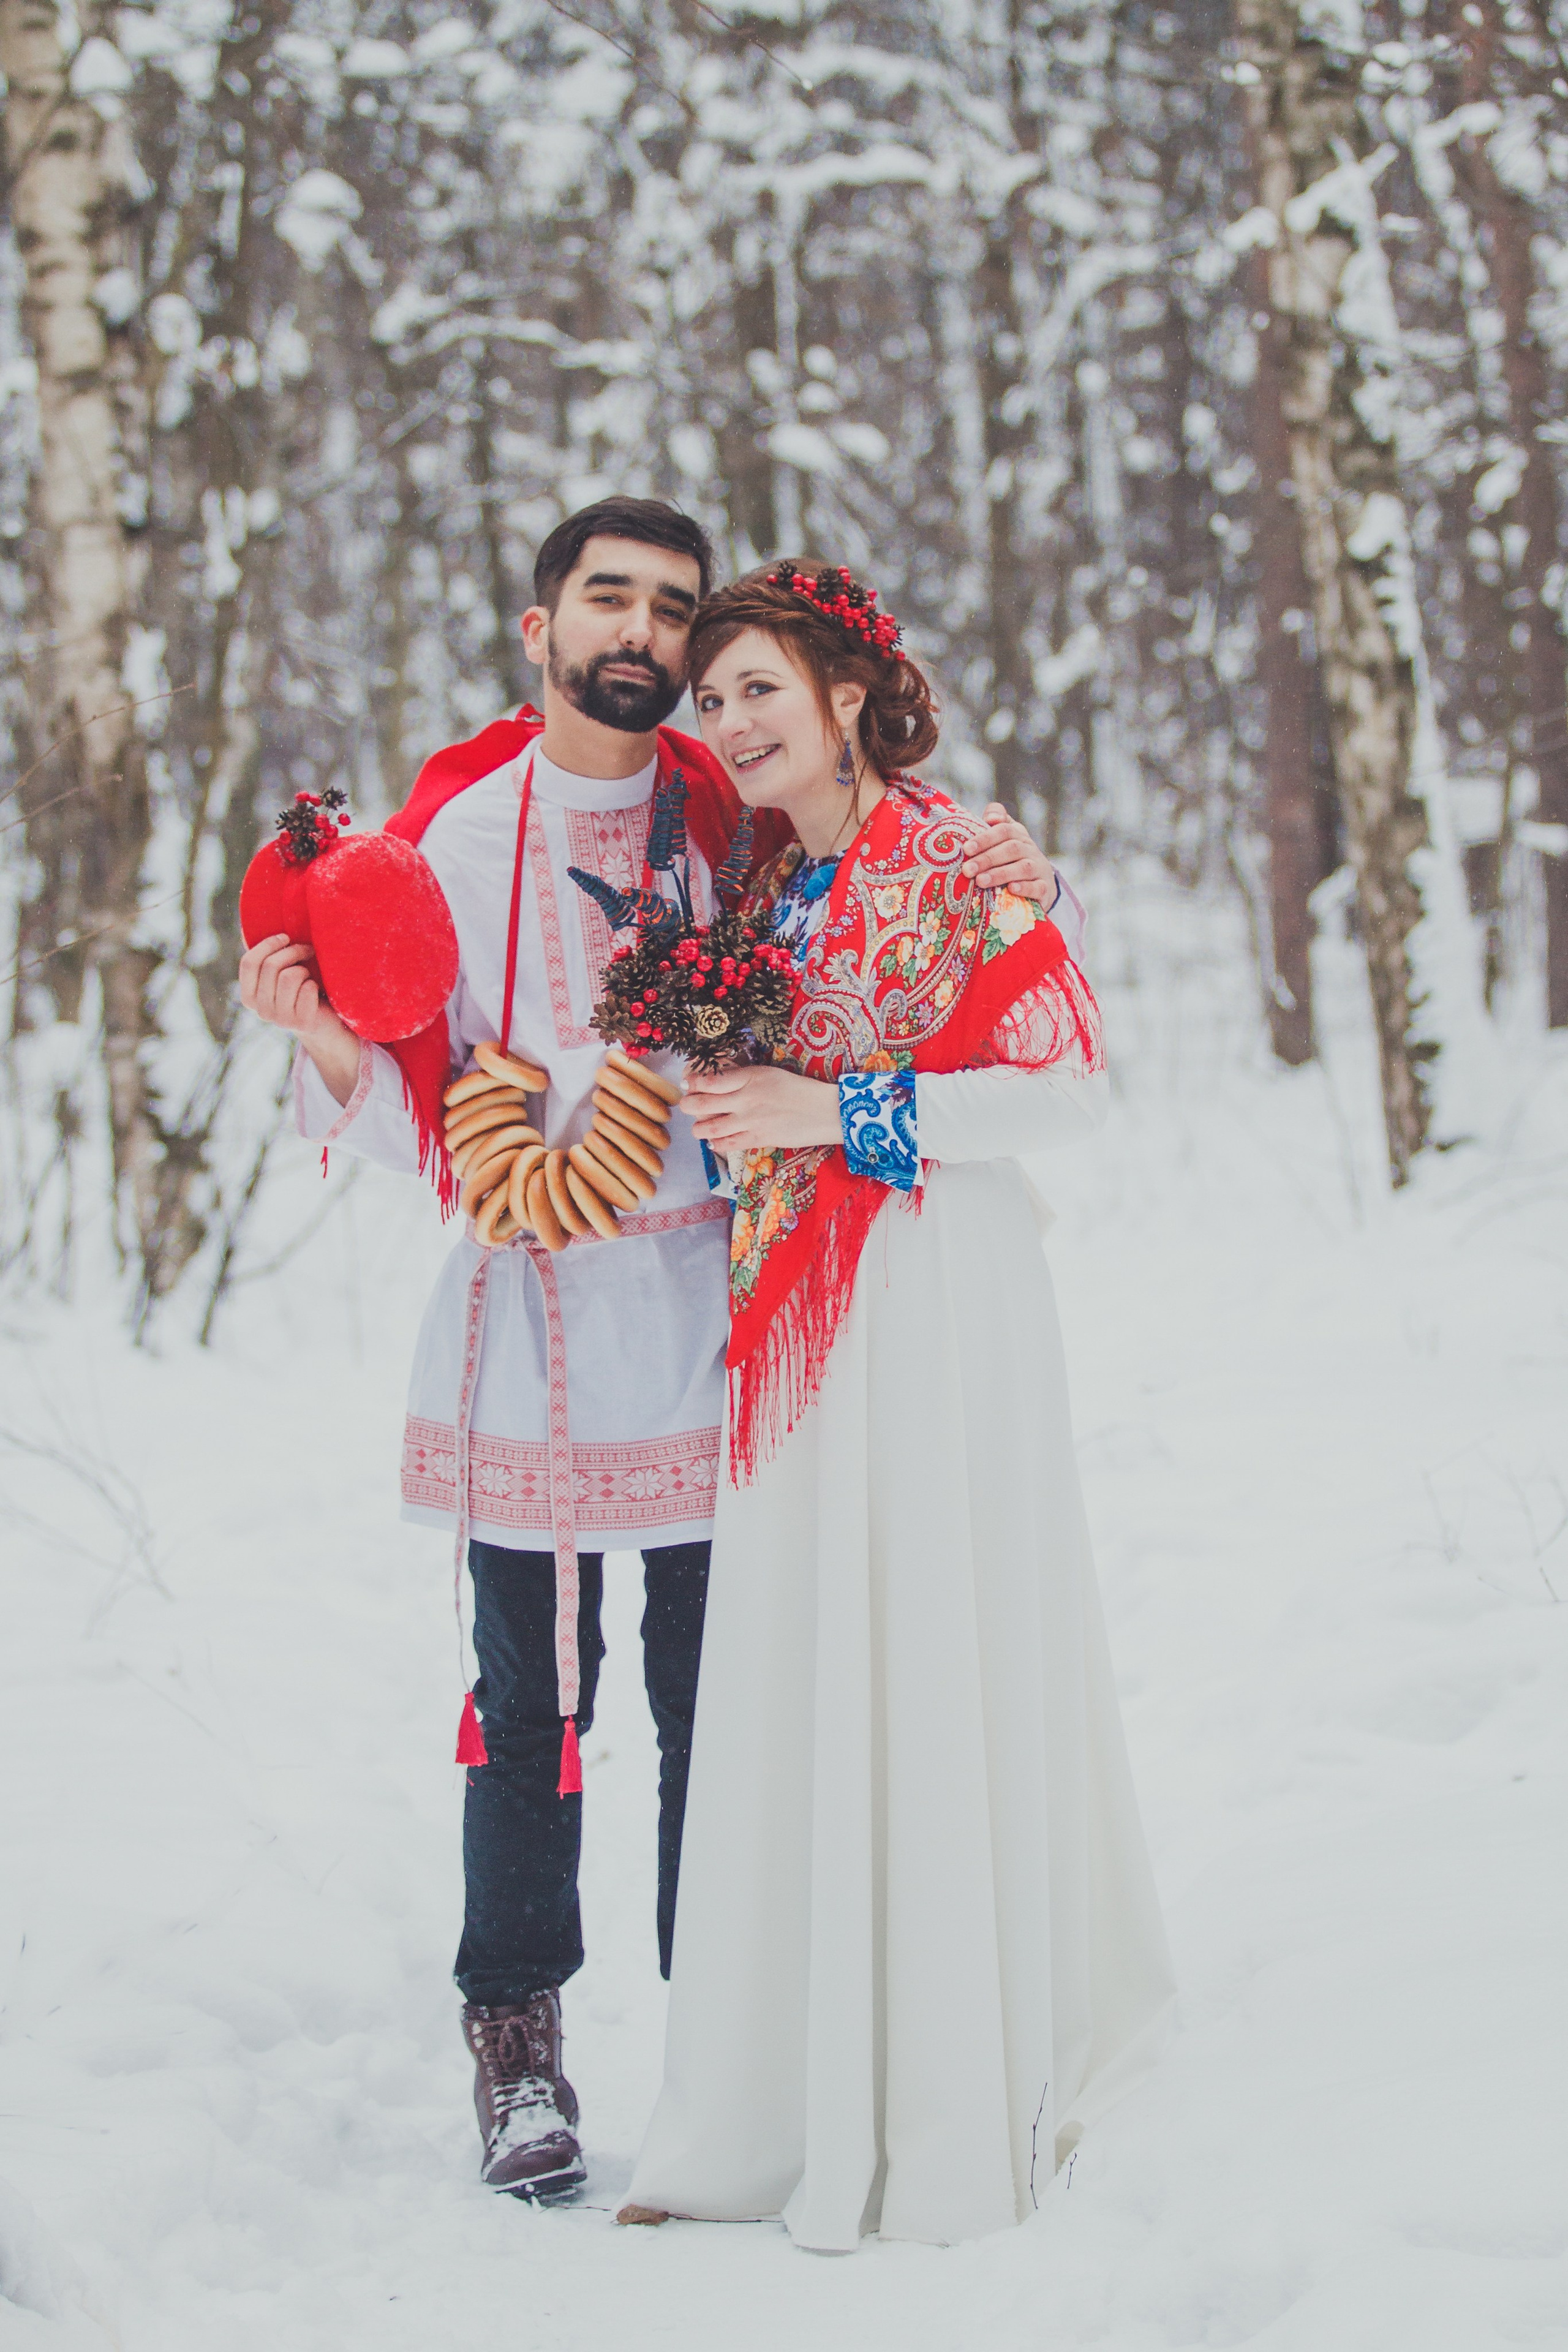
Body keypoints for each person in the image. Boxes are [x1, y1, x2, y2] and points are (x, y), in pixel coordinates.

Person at [236, 499, 1062, 2201]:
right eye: (606, 597)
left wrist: (1012, 871)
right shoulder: (449, 844)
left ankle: (725, 2038)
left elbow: (873, 883)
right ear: (538, 628)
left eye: (671, 609)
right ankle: (518, 2038)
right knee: (533, 1703)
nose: (642, 630)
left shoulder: (729, 816)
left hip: (716, 1309)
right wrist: (322, 1036)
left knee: (723, 1695)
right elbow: (419, 1110)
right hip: (531, 1308)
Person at [622, 561, 1174, 2248]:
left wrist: (837, 1108)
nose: (728, 725)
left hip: (936, 1301)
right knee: (802, 1662)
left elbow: (1067, 1092)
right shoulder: (760, 882)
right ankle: (779, 2098)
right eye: (713, 702)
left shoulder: (952, 857)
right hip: (792, 1315)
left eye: (758, 692)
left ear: (850, 694)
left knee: (925, 1643)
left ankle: (938, 2085)